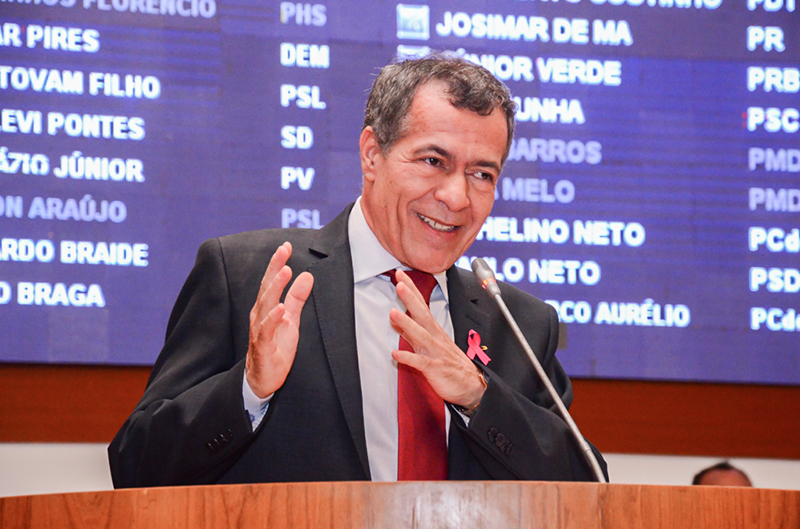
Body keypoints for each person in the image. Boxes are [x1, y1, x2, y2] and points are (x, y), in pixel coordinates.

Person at [108, 54, 607, 487]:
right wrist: (249, 388)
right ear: (372, 154)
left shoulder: (519, 323)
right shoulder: (249, 278)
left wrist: (480, 397)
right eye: (433, 160)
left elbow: (590, 487)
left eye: (482, 174)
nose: (457, 197)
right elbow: (136, 467)